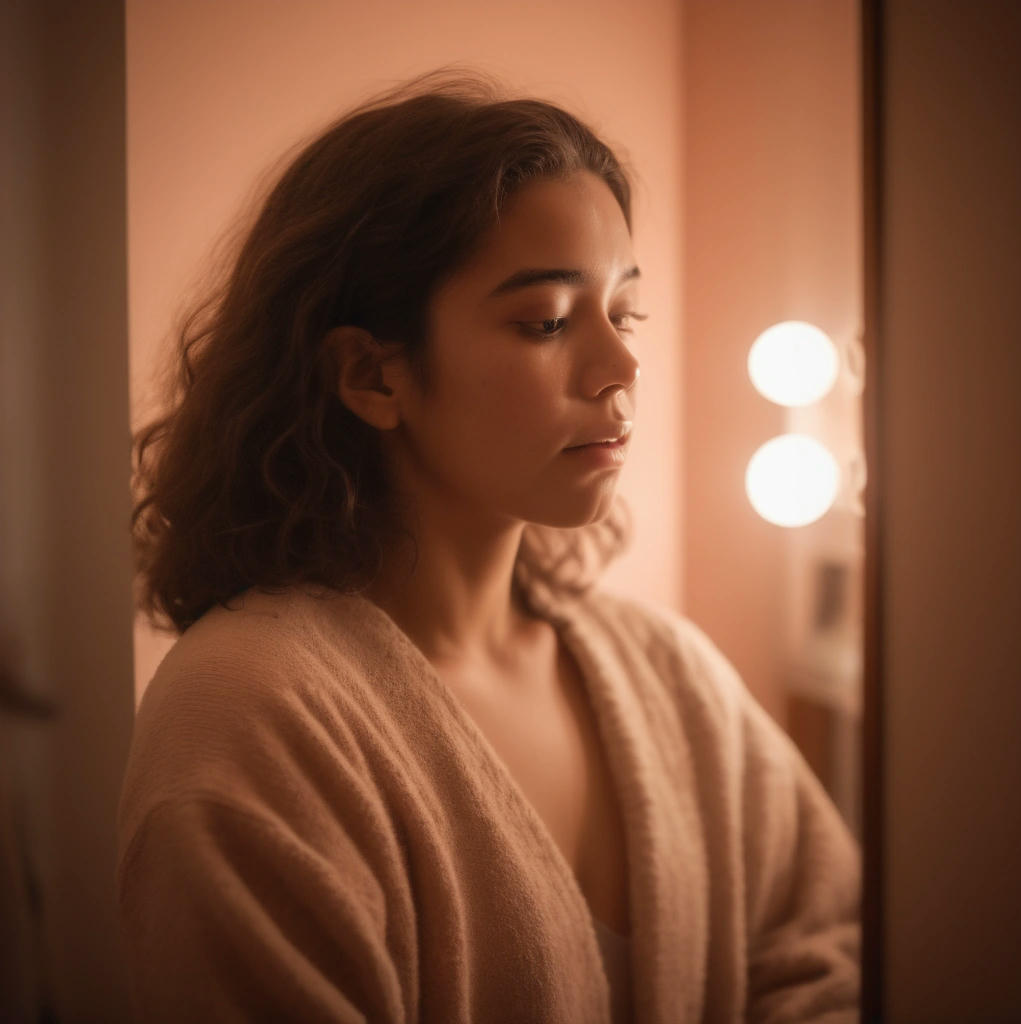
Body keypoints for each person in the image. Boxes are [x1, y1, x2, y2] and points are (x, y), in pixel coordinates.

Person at [117, 68, 860, 1023]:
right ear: (370, 374)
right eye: (546, 321)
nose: (622, 364)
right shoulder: (251, 720)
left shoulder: (670, 677)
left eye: (625, 311)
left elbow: (829, 955)